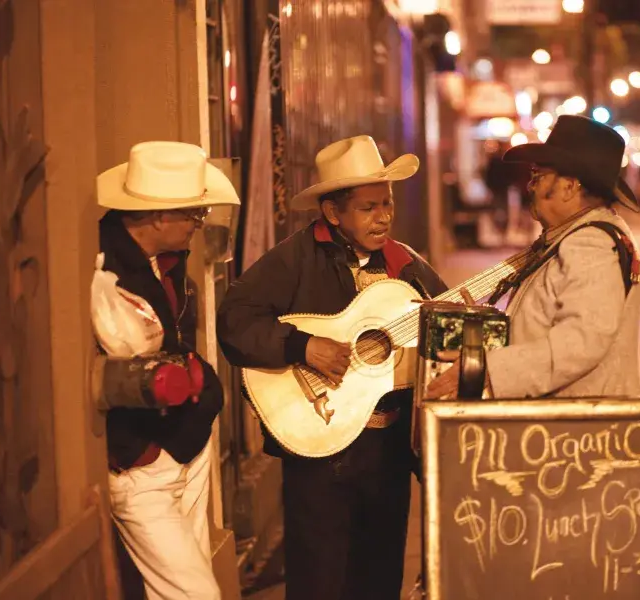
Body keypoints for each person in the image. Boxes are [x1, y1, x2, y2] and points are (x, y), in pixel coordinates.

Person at [217, 135, 446, 600]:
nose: (382, 216)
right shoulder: (295, 258)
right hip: (321, 447)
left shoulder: (406, 265)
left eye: (386, 204)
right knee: (320, 577)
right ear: (332, 213)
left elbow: (445, 324)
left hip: (389, 448)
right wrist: (301, 346)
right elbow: (235, 320)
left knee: (380, 575)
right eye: (367, 208)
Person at [96, 141, 240, 599]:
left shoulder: (169, 261)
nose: (200, 225)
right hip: (142, 461)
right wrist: (144, 454)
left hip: (186, 441)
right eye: (193, 215)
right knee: (196, 593)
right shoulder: (105, 267)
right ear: (158, 215)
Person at [426, 115, 640, 400]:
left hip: (579, 434)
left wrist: (490, 369)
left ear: (569, 187)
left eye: (538, 177)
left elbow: (581, 342)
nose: (530, 186)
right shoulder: (572, 237)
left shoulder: (590, 245)